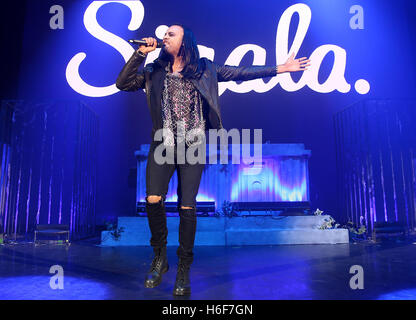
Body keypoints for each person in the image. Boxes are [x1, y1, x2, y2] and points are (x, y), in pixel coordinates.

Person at [116, 24, 310, 296]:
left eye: (171, 34)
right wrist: (140, 55)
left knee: (187, 206)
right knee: (153, 199)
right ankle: (160, 257)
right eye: (165, 34)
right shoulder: (154, 70)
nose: (164, 37)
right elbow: (122, 83)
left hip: (192, 144)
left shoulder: (205, 69)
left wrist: (281, 68)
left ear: (184, 43)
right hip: (163, 143)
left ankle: (184, 267)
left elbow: (242, 73)